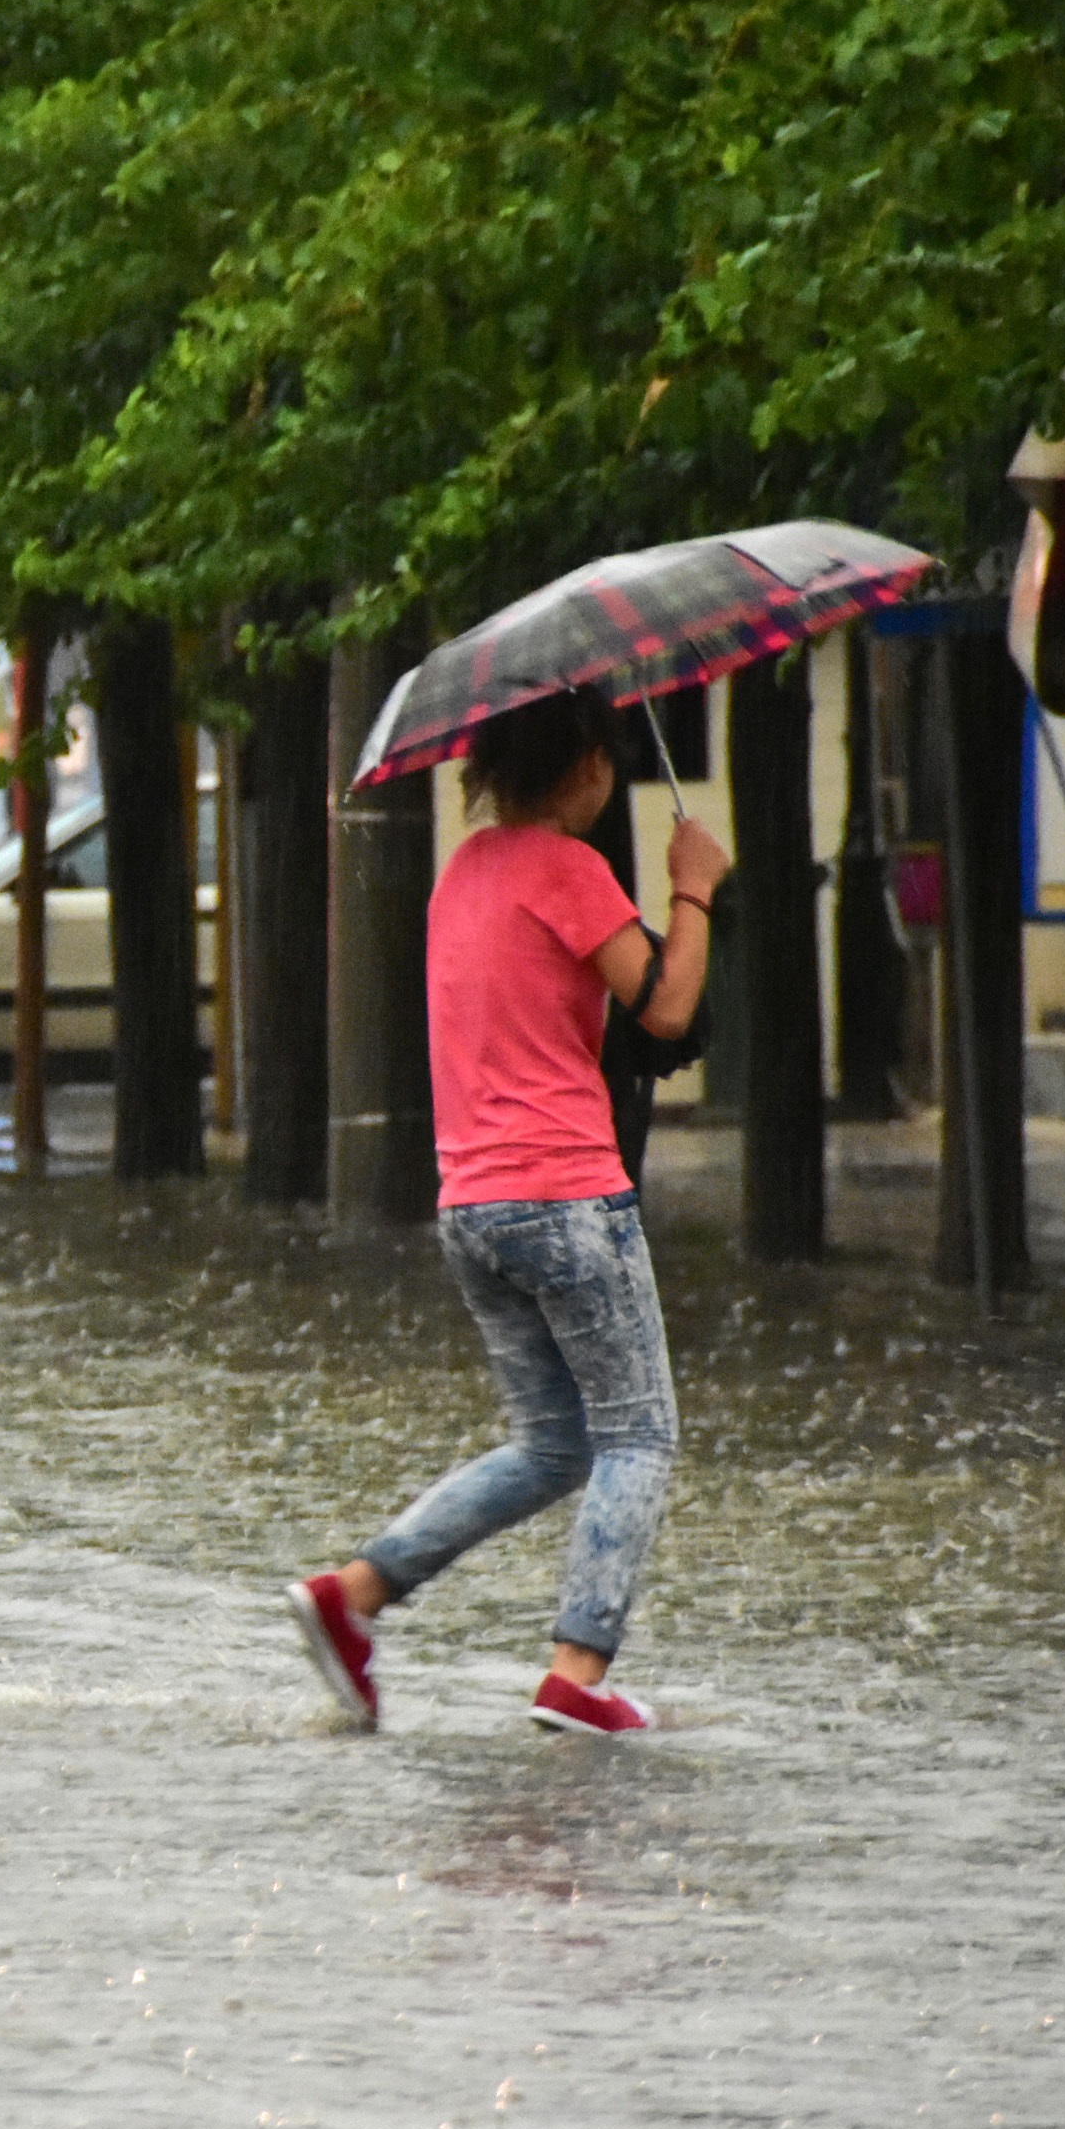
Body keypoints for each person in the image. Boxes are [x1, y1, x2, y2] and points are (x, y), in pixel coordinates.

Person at [287, 687, 731, 1737]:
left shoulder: (464, 873)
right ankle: (578, 1671)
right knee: (639, 1437)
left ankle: (352, 1597)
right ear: (584, 766)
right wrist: (695, 890)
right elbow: (666, 1006)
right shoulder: (569, 870)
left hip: (473, 1205)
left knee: (549, 1445)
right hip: (568, 1192)